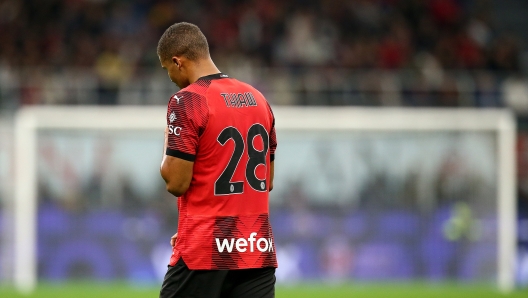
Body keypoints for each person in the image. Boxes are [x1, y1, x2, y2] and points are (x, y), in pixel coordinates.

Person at [157, 22, 278, 298]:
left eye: (167, 70)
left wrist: (167, 143)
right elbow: (266, 181)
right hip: (255, 249)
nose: (171, 78)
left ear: (178, 62)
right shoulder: (258, 98)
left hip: (205, 247)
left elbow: (176, 182)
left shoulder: (187, 101)